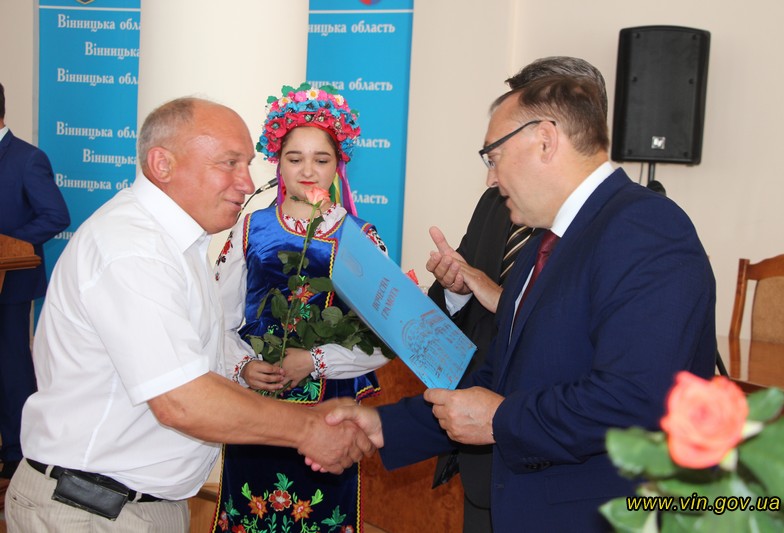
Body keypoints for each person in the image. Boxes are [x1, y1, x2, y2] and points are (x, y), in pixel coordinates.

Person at [326, 72, 717, 531]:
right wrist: (383, 426)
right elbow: (501, 378)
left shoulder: (646, 229)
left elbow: (635, 400)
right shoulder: (543, 243)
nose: (491, 179)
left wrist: (500, 419)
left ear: (545, 141)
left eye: (493, 157)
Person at [5, 97, 375, 532]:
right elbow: (181, 399)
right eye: (229, 164)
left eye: (248, 164)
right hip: (91, 510)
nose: (247, 182)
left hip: (135, 506)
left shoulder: (181, 243)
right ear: (162, 164)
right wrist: (308, 428)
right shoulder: (133, 249)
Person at [427, 57, 608, 533]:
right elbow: (460, 289)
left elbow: (612, 385)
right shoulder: (495, 203)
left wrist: (502, 295)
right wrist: (456, 290)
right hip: (479, 445)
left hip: (559, 464)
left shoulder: (614, 228)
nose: (494, 175)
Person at [212, 84, 391, 533]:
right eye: (295, 159)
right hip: (253, 407)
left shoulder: (358, 238)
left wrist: (313, 361)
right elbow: (215, 321)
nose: (308, 170)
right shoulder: (250, 229)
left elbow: (386, 339)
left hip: (328, 413)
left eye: (321, 160)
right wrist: (243, 367)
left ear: (338, 165)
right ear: (278, 162)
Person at [0, 82, 70, 481]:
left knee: (10, 366)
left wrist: (8, 244)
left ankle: (17, 451)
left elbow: (56, 215)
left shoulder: (27, 158)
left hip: (9, 283)